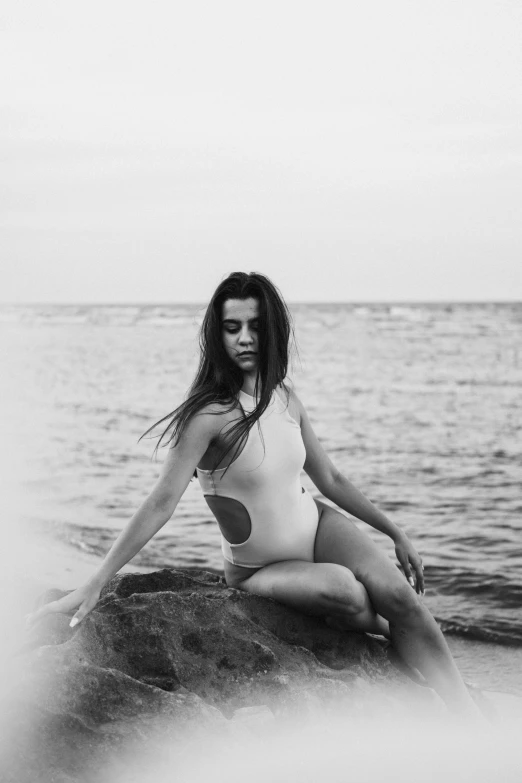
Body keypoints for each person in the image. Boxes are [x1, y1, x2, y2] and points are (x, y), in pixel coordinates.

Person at [28, 271, 481, 718]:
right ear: (218, 335)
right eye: (232, 327)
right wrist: (96, 582)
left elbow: (331, 480)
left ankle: (469, 720)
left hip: (318, 526)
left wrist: (396, 532)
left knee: (401, 598)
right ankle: (401, 640)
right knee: (350, 593)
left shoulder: (286, 398)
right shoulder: (208, 416)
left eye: (255, 326)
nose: (244, 338)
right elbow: (161, 502)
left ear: (272, 332)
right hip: (257, 567)